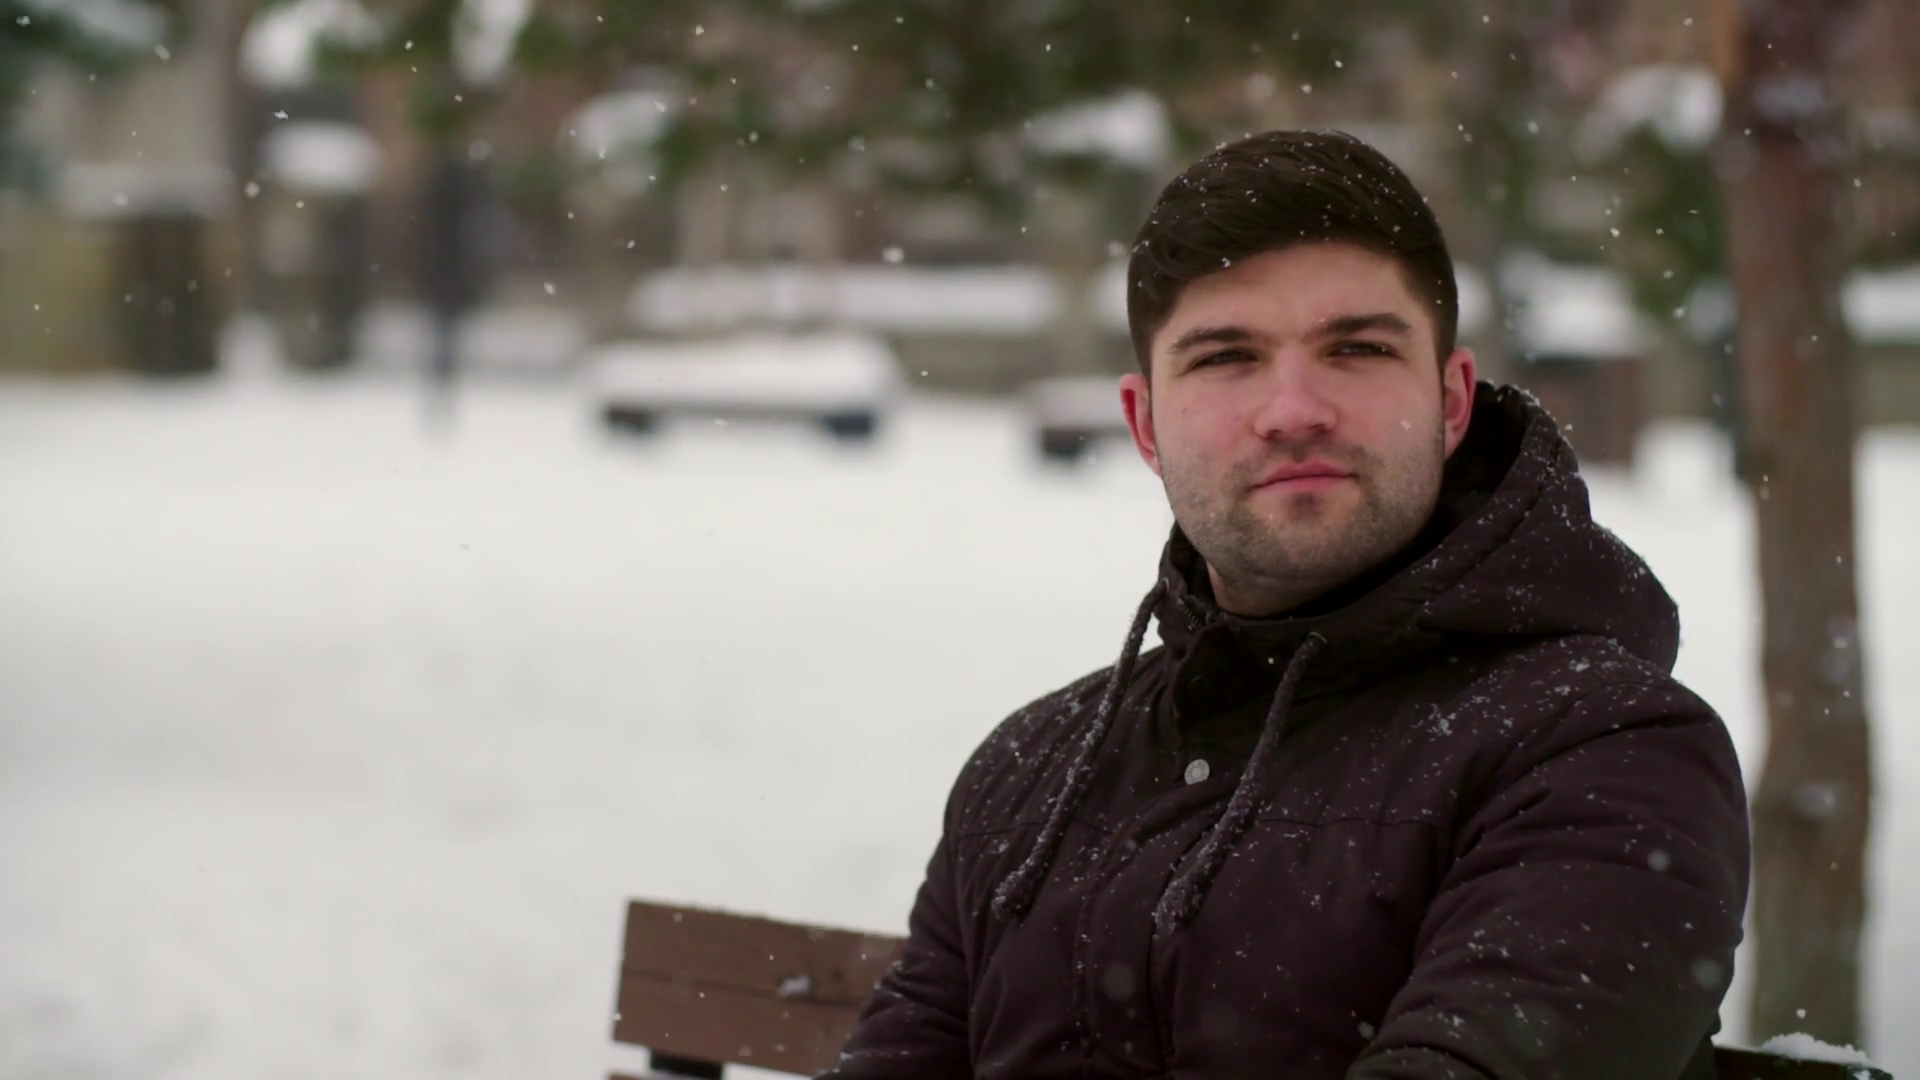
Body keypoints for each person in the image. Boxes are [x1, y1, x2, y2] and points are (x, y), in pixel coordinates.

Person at [818, 130, 1750, 1079]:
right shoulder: (1029, 775)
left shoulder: (1606, 751)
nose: (1295, 410)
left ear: (1451, 401)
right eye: (1227, 357)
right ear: (1146, 423)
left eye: (1357, 348)